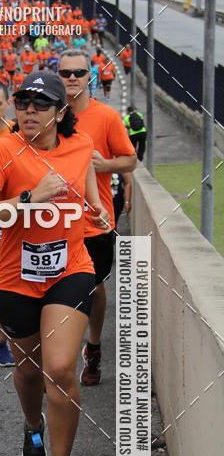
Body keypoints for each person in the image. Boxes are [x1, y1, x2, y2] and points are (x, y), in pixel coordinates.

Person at [0, 71, 110, 456]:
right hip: (16, 279)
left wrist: (95, 211)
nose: (29, 110)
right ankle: (32, 424)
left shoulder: (81, 146)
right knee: (30, 370)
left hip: (70, 269)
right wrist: (31, 198)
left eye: (40, 104)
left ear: (59, 111)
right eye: (23, 102)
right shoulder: (2, 151)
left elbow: (86, 182)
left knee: (59, 368)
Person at [57, 50, 137, 386]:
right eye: (65, 73)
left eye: (79, 72)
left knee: (95, 285)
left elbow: (130, 160)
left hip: (95, 220)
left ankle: (92, 347)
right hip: (54, 220)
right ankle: (59, 355)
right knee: (60, 286)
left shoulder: (105, 117)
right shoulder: (50, 116)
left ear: (90, 76)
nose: (72, 78)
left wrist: (105, 165)